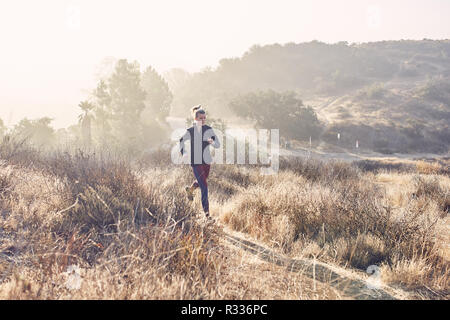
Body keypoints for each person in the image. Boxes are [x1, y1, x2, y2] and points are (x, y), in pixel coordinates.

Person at [179, 105, 221, 220]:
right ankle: (207, 216)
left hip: (207, 161)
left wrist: (212, 142)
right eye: (200, 118)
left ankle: (190, 190)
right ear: (195, 119)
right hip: (196, 161)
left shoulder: (208, 129)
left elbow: (218, 145)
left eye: (204, 118)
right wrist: (184, 153)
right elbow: (181, 141)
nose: (203, 120)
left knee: (201, 182)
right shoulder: (191, 131)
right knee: (204, 187)